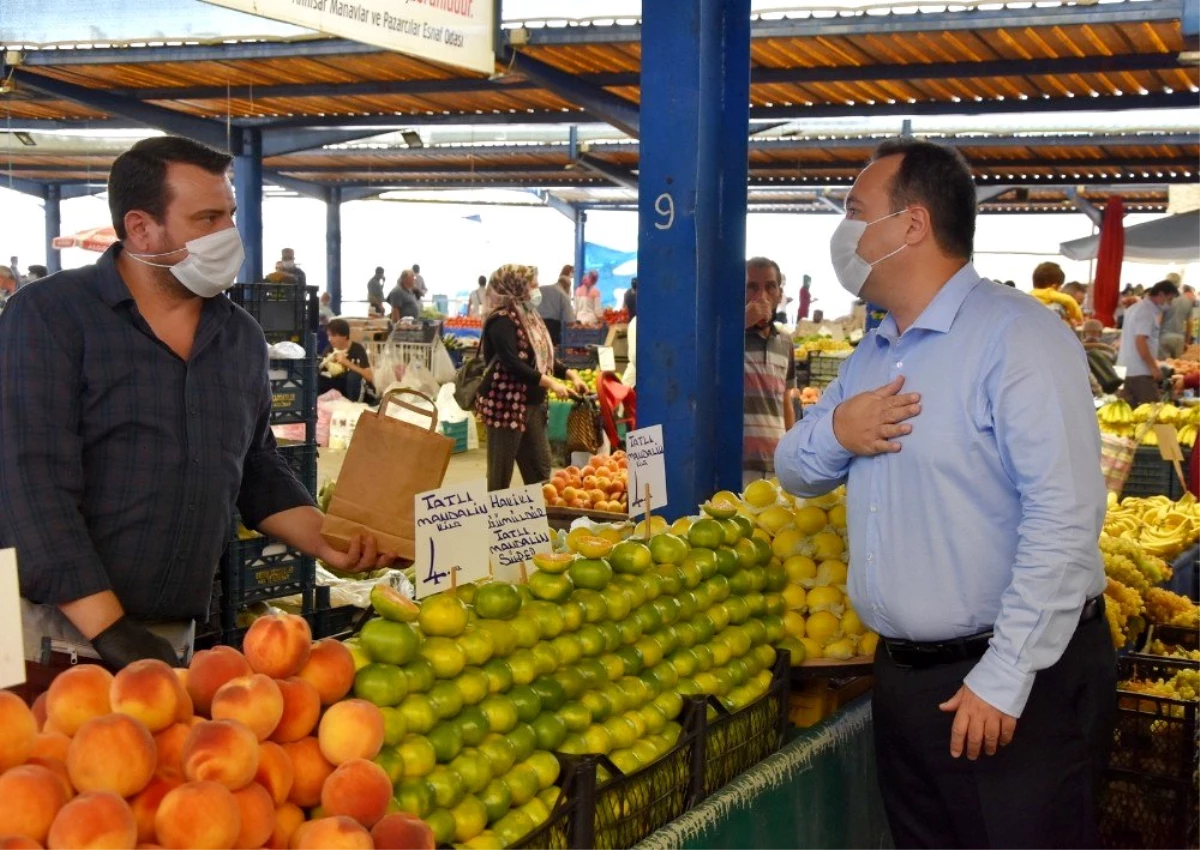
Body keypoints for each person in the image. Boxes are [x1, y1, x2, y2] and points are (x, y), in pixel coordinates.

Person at [774, 138, 1113, 850]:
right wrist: (839, 426)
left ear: (912, 225)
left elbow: (1065, 518)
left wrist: (1006, 673)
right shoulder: (874, 354)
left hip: (1013, 682)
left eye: (854, 211)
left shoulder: (1018, 338)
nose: (845, 231)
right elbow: (797, 469)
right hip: (904, 678)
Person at [0, 137, 392, 692]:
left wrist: (325, 537)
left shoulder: (238, 337)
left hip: (169, 637)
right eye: (206, 218)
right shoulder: (49, 317)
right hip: (54, 640)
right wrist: (111, 630)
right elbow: (29, 486)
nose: (228, 235)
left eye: (229, 215)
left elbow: (254, 465)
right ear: (141, 228)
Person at [475, 265, 588, 491]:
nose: (537, 289)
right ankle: (496, 521)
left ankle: (538, 520)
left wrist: (570, 375)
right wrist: (550, 383)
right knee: (500, 474)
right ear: (515, 286)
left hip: (533, 406)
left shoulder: (530, 316)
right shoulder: (501, 320)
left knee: (540, 469)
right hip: (506, 406)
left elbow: (543, 357)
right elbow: (513, 363)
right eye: (532, 284)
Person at [743, 257, 797, 489]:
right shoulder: (723, 336)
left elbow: (786, 398)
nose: (761, 294)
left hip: (774, 463)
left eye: (770, 286)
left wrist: (791, 450)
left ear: (779, 294)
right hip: (736, 463)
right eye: (752, 287)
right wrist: (740, 324)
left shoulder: (785, 342)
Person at [1118, 279, 1179, 405]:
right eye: (1169, 299)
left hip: (1128, 368)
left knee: (1130, 412)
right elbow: (1140, 341)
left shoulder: (1136, 308)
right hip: (1140, 371)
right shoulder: (1146, 312)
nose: (1169, 303)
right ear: (1161, 294)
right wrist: (1153, 368)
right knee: (1152, 411)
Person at [319, 318, 376, 404]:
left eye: (333, 335)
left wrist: (347, 363)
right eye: (328, 335)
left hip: (356, 390)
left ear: (345, 336)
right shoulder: (329, 349)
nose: (329, 339)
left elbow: (370, 377)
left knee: (353, 375)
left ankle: (353, 406)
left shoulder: (357, 349)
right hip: (338, 390)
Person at [537, 269, 576, 346]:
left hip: (537, 324)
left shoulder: (541, 289)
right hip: (553, 328)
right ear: (567, 286)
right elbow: (569, 320)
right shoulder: (563, 295)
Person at [1160, 284, 1194, 358]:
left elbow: (1160, 320)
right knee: (1177, 366)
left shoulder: (1166, 300)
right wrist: (1187, 342)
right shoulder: (1187, 302)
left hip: (1164, 336)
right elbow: (1190, 324)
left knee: (1163, 366)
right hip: (1180, 338)